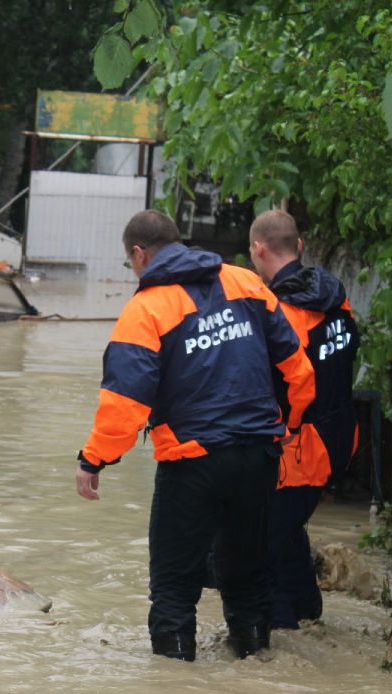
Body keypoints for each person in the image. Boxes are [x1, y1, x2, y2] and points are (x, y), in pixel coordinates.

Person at [75, 210, 315, 661]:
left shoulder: (145, 310)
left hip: (192, 465)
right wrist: (289, 427)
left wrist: (93, 460)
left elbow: (125, 405)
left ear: (139, 254)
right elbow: (297, 367)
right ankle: (256, 668)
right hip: (258, 455)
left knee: (173, 588)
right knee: (247, 579)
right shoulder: (246, 283)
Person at [248, 209, 360, 629]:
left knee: (263, 548)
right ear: (297, 246)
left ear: (259, 250)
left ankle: (281, 641)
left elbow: (289, 388)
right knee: (288, 527)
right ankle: (308, 611)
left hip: (299, 449)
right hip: (339, 437)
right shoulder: (335, 295)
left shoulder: (280, 311)